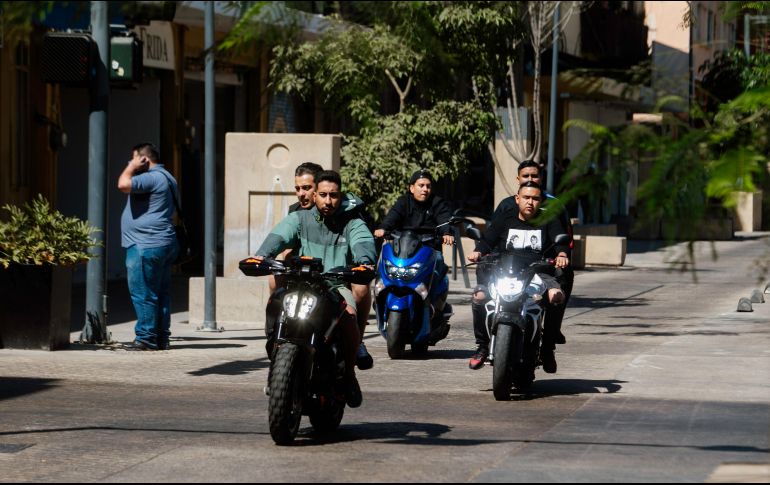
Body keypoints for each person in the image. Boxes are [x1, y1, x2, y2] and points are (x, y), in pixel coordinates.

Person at [253, 170, 376, 408]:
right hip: (300, 284)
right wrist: (261, 255)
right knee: (276, 302)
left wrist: (365, 261)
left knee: (348, 315)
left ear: (340, 196)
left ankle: (349, 376)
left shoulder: (352, 222)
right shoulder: (300, 218)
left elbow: (363, 241)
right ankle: (276, 356)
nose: (328, 200)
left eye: (333, 195)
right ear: (315, 195)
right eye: (323, 194)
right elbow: (280, 235)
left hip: (335, 286)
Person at [467, 181, 570, 373]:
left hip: (538, 271)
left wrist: (562, 255)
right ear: (517, 199)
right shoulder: (505, 217)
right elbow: (488, 240)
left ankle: (547, 349)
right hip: (505, 272)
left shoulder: (549, 219)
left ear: (541, 201)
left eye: (535, 198)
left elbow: (560, 242)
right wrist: (478, 252)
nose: (530, 202)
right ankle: (482, 346)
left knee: (556, 296)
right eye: (526, 197)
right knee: (479, 296)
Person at [490, 159, 575, 359]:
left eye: (534, 175)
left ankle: (549, 342)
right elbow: (493, 236)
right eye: (526, 176)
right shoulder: (506, 205)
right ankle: (484, 344)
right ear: (518, 179)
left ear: (541, 178)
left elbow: (565, 238)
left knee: (560, 286)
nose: (530, 179)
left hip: (544, 265)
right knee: (483, 285)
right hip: (509, 265)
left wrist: (562, 256)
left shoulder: (554, 206)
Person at [118, 142, 179, 351]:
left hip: (145, 244)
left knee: (143, 292)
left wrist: (131, 167)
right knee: (160, 293)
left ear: (143, 159)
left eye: (133, 158)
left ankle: (146, 338)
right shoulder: (168, 177)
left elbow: (123, 184)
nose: (131, 162)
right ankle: (161, 337)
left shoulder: (151, 177)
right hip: (161, 243)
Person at [373, 169, 455, 319]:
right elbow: (392, 217)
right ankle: (380, 295)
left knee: (439, 264)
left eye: (428, 186)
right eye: (421, 185)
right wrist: (383, 229)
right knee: (384, 263)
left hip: (429, 249)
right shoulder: (403, 202)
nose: (425, 189)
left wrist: (447, 233)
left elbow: (444, 220)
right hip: (403, 249)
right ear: (411, 188)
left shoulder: (437, 203)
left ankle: (433, 304)